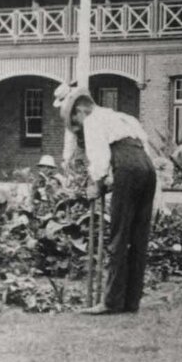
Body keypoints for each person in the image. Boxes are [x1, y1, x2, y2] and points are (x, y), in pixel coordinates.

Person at [57, 83, 157, 315]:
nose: (79, 127)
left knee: (119, 236)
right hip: (147, 169)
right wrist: (113, 181)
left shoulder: (92, 121)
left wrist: (97, 184)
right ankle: (131, 302)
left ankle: (111, 302)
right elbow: (142, 150)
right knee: (138, 236)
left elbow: (100, 158)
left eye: (76, 123)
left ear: (80, 111)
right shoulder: (123, 117)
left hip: (128, 168)